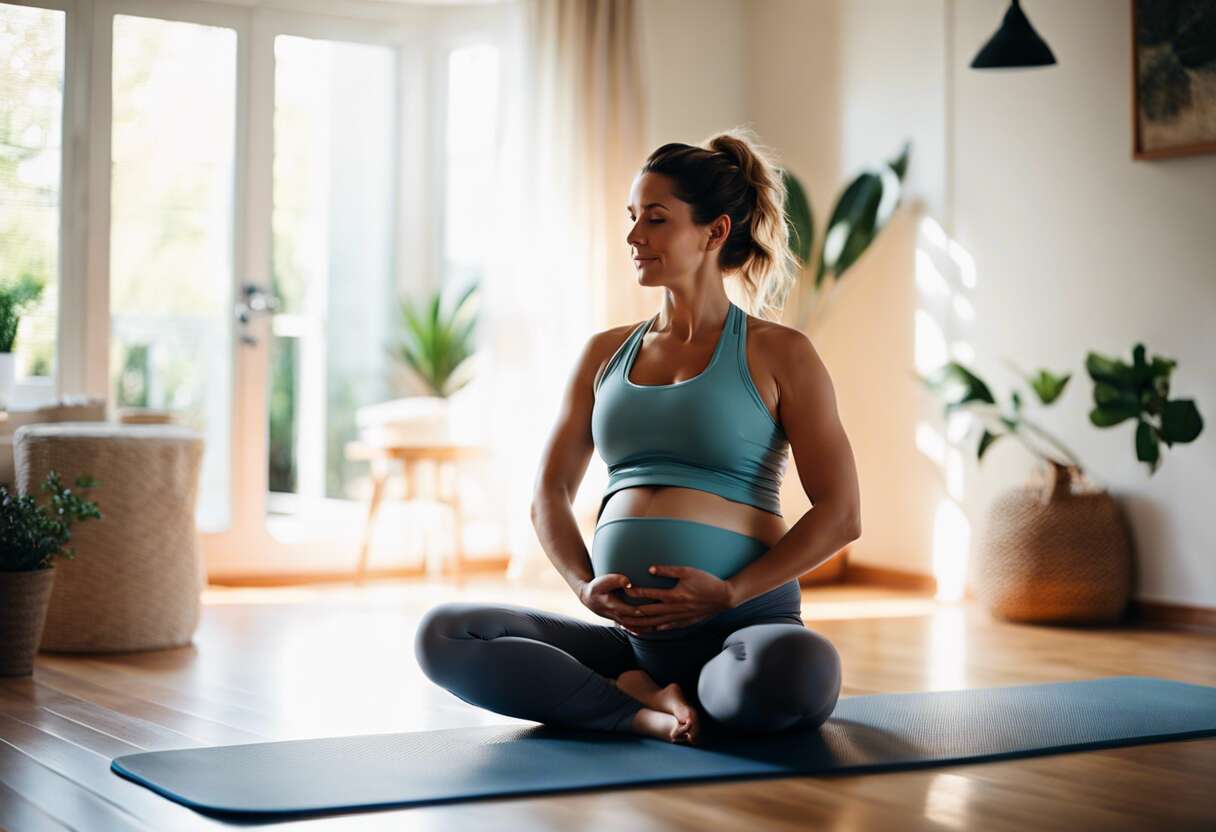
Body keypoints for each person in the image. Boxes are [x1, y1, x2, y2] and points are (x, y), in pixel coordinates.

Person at [415, 127, 861, 745]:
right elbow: (549, 491)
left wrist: (727, 592)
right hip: (630, 638)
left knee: (800, 673)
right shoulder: (604, 353)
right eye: (631, 217)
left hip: (743, 628)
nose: (633, 237)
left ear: (715, 231)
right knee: (444, 634)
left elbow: (841, 515)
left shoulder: (780, 352)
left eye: (655, 218)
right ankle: (642, 706)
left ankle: (660, 695)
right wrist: (582, 586)